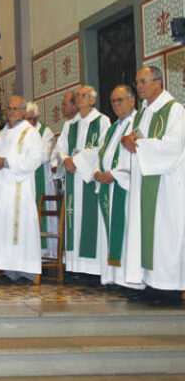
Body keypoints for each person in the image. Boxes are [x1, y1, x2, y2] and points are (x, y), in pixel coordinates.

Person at [120, 66, 185, 305]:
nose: (139, 87)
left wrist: (139, 145)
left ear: (158, 82)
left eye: (143, 81)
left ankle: (169, 289)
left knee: (164, 233)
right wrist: (127, 140)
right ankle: (149, 283)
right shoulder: (143, 112)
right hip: (144, 181)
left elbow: (173, 146)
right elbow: (136, 137)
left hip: (166, 185)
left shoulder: (174, 110)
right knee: (145, 231)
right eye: (138, 82)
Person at [54, 85, 110, 284]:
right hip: (72, 179)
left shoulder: (102, 121)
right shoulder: (71, 124)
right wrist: (65, 158)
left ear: (93, 100)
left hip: (88, 178)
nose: (79, 99)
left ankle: (93, 270)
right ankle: (75, 267)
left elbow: (102, 148)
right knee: (73, 220)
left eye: (83, 95)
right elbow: (60, 147)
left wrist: (76, 161)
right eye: (77, 96)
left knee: (89, 221)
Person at [0, 95, 42, 283]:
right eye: (9, 108)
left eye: (15, 109)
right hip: (1, 190)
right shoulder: (0, 134)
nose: (11, 112)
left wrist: (7, 162)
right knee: (3, 228)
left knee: (21, 229)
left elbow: (35, 159)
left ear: (24, 111)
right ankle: (8, 271)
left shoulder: (30, 132)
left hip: (20, 190)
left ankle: (25, 272)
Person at [94, 85, 138, 293]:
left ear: (132, 100)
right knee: (110, 233)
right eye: (113, 101)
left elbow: (139, 157)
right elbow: (101, 154)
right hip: (108, 189)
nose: (116, 105)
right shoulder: (112, 128)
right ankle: (113, 277)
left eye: (120, 100)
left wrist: (115, 175)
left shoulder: (138, 124)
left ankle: (128, 280)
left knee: (127, 232)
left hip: (128, 190)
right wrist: (97, 172)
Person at [25, 101, 57, 258]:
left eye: (31, 119)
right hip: (24, 182)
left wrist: (26, 155)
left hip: (41, 181)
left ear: (36, 118)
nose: (28, 122)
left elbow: (44, 155)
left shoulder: (46, 132)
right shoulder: (21, 132)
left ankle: (44, 254)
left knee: (41, 217)